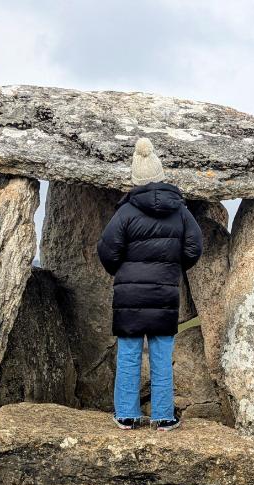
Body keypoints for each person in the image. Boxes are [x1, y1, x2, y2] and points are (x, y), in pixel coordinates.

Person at [97, 137, 203, 431]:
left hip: (129, 295)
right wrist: (173, 269)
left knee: (129, 355)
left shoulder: (126, 212)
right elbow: (194, 248)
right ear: (160, 175)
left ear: (135, 178)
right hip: (164, 293)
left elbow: (107, 251)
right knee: (161, 355)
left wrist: (122, 272)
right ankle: (163, 416)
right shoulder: (180, 212)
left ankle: (127, 415)